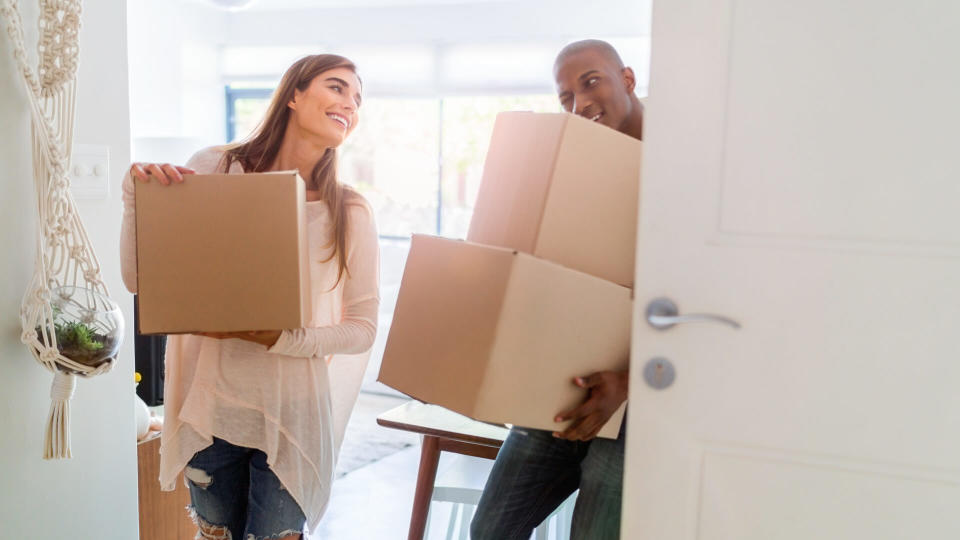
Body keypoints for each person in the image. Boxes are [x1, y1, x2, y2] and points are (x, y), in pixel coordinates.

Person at [120, 54, 380, 540]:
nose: (351, 104)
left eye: (358, 98)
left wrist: (282, 337)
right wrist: (136, 198)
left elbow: (362, 328)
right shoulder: (214, 168)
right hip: (211, 404)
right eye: (338, 87)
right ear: (294, 94)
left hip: (294, 415)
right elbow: (142, 281)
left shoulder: (350, 210)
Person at [470, 39, 643, 540]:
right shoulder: (572, 162)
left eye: (591, 82)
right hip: (561, 388)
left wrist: (632, 383)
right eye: (565, 96)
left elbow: (708, 299)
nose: (580, 104)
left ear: (627, 79)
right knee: (489, 532)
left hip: (635, 401)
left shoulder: (679, 164)